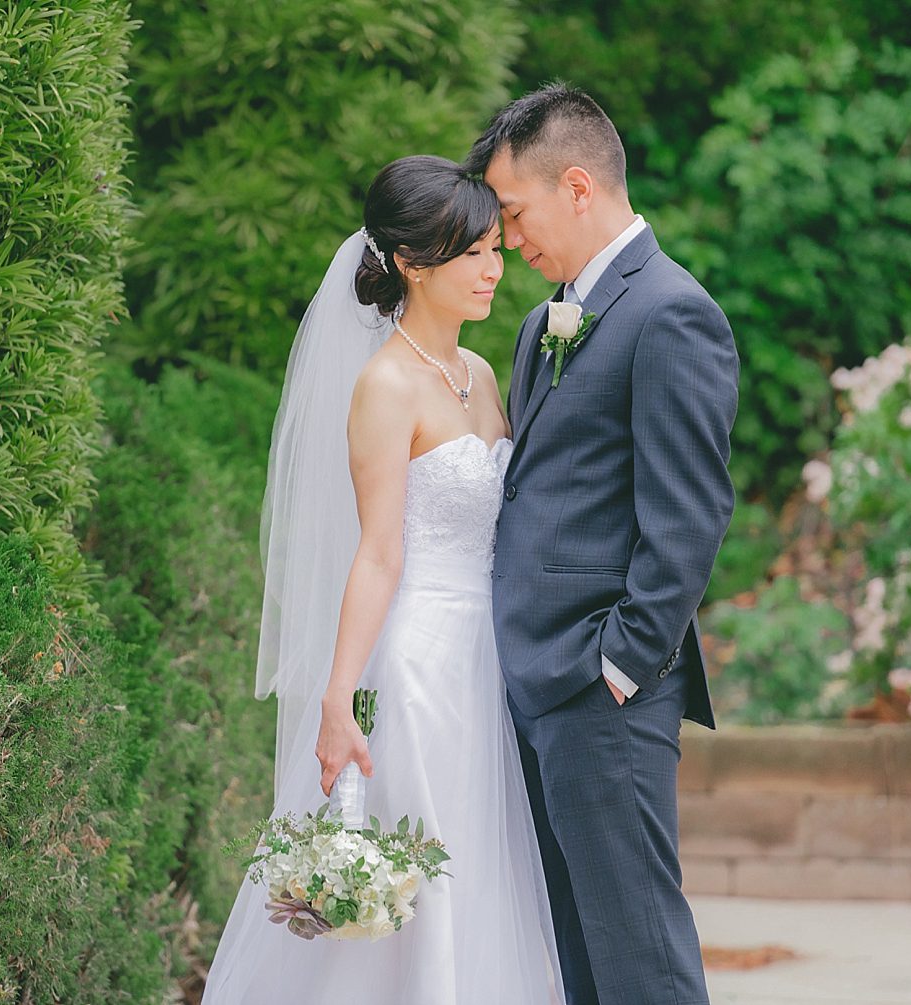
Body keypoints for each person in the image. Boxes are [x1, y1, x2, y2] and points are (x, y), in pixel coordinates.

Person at [201, 155, 563, 1004]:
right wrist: (337, 697)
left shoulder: (478, 374)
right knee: (423, 868)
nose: (492, 268)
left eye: (494, 249)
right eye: (469, 253)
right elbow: (377, 552)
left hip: (492, 660)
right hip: (419, 666)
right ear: (409, 262)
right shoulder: (385, 386)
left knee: (481, 866)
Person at [465, 84, 740, 1005]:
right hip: (536, 685)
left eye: (512, 212)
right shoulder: (542, 324)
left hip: (602, 691)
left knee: (638, 955)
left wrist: (619, 662)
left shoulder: (671, 312)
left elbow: (689, 515)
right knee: (575, 954)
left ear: (576, 185)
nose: (506, 239)